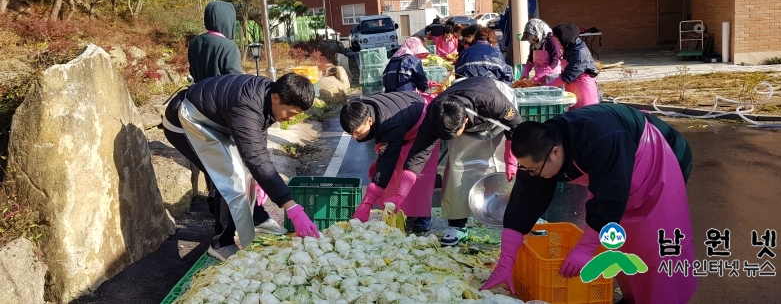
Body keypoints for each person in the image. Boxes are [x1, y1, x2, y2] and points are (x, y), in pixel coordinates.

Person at [482, 103, 696, 304]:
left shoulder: (600, 140)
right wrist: (506, 260)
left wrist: (585, 248)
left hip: (660, 158)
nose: (532, 174)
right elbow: (527, 198)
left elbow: (608, 199)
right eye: (526, 169)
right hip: (621, 176)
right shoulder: (539, 148)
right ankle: (636, 298)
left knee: (653, 244)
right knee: (626, 242)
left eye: (534, 170)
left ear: (555, 152)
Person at [161, 73, 320, 261]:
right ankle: (221, 243)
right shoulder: (247, 104)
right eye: (291, 113)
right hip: (185, 122)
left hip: (212, 124)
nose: (290, 119)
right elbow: (255, 157)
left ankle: (257, 217)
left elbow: (257, 146)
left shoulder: (267, 96)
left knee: (247, 172)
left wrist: (261, 179)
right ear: (276, 98)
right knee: (228, 177)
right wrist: (292, 207)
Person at [186, 1, 286, 236]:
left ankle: (217, 205)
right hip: (225, 111)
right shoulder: (228, 46)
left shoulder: (196, 43)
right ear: (227, 21)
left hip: (200, 107)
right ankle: (248, 219)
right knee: (237, 166)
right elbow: (235, 83)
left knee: (214, 165)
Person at [403, 76, 521, 246]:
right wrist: (406, 184)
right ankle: (457, 225)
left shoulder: (493, 102)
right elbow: (419, 151)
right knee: (457, 167)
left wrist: (511, 160)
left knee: (502, 165)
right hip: (461, 113)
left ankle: (514, 221)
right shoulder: (437, 114)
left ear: (464, 121)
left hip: (498, 118)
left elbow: (516, 125)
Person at [341, 91, 440, 233]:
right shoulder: (365, 110)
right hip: (403, 123)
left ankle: (422, 215)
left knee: (418, 173)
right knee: (395, 174)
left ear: (369, 121)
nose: (355, 138)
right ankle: (405, 211)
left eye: (357, 132)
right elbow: (386, 151)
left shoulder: (390, 123)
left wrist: (367, 203)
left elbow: (387, 160)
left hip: (423, 122)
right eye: (351, 134)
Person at [534, 23, 600, 108]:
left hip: (584, 90)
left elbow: (567, 75)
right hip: (572, 88)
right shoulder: (569, 48)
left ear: (565, 39)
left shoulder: (580, 53)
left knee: (584, 115)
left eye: (558, 40)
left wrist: (547, 87)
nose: (557, 43)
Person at [188, 1, 243, 83]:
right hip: (220, 94)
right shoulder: (229, 46)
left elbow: (192, 72)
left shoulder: (194, 42)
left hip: (198, 92)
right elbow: (235, 80)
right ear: (228, 20)